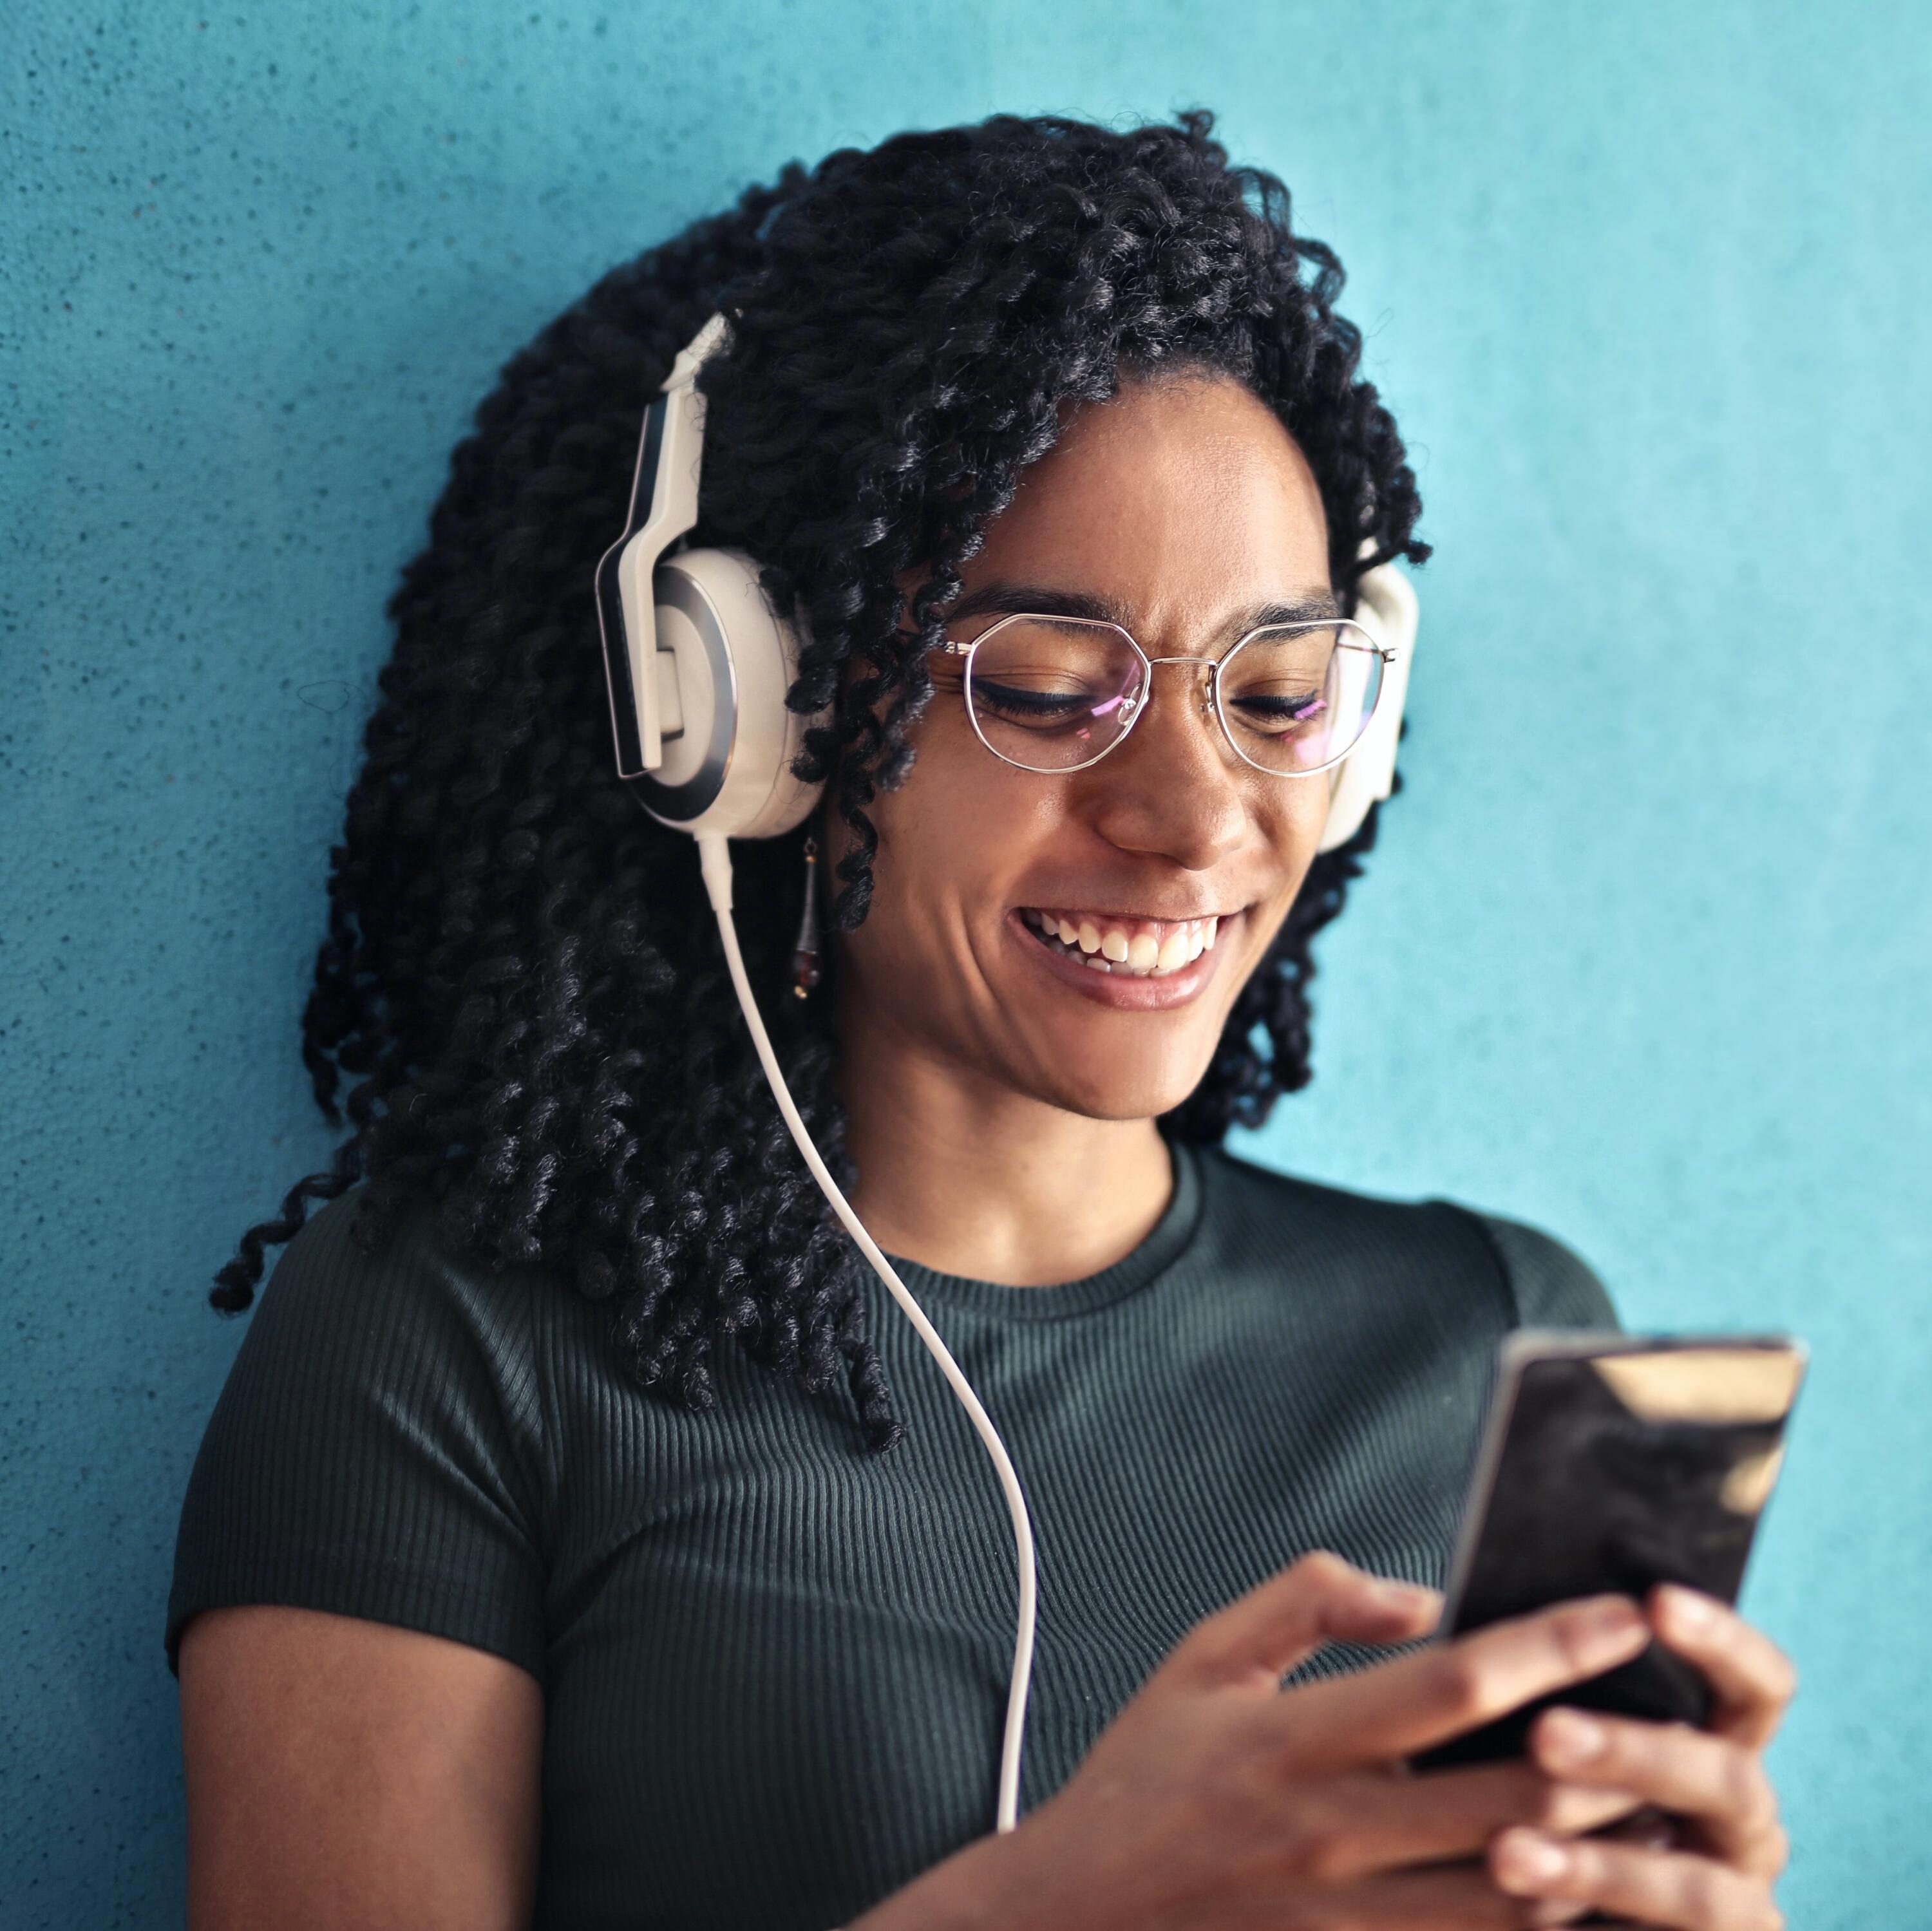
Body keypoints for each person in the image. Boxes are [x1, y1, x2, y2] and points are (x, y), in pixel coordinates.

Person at [169, 112, 1793, 1931]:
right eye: (1044, 687)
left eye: (1274, 690)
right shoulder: (454, 1345)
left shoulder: (1499, 1342)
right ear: (747, 716)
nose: (1192, 820)